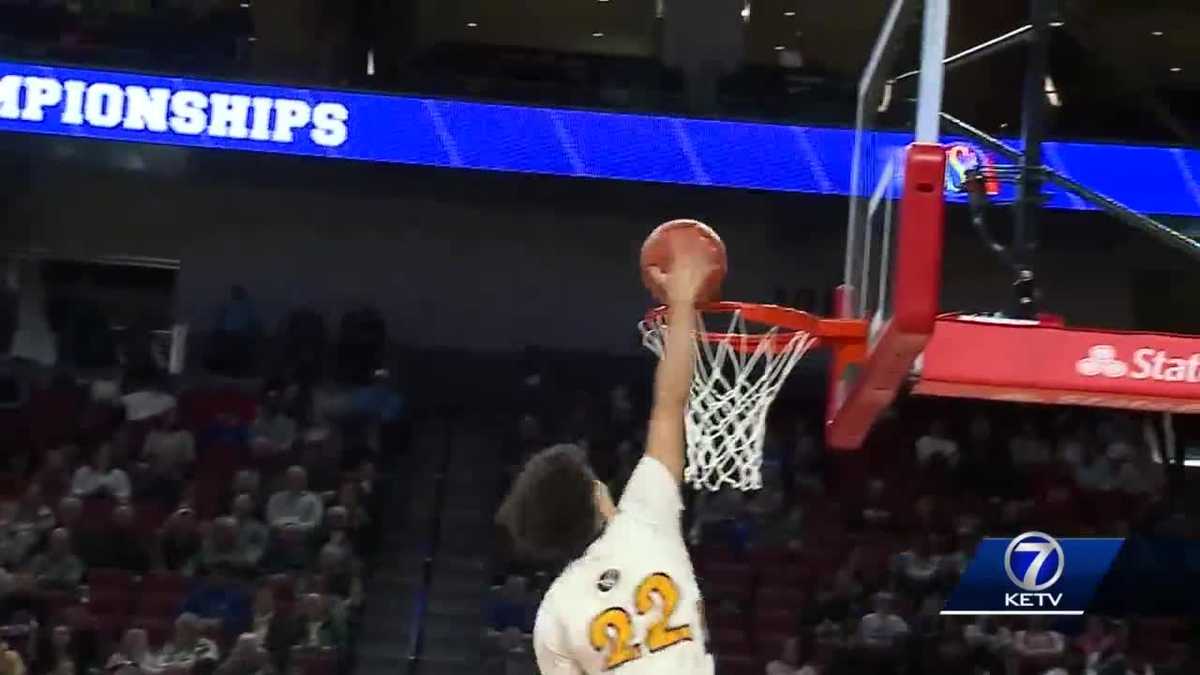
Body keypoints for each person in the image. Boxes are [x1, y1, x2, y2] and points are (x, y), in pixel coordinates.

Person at [496, 233, 715, 674]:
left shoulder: (554, 614)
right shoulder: (645, 519)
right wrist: (684, 301)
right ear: (598, 495)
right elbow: (670, 406)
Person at [265, 467, 323, 534]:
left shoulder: (314, 499)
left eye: (298, 479)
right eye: (291, 479)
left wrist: (295, 528)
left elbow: (315, 523)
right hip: (279, 534)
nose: (294, 482)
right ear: (286, 480)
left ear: (305, 481)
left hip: (304, 536)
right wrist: (285, 528)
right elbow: (271, 519)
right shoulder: (275, 498)